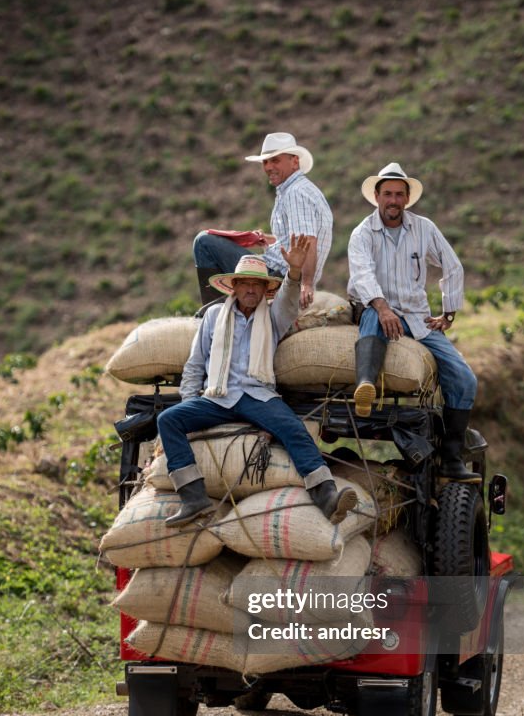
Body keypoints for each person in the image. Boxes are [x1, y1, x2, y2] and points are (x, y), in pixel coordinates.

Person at [158, 236, 357, 527]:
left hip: (258, 396)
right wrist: (191, 405)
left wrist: (294, 273)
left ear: (266, 290)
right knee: (168, 420)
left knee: (294, 430)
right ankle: (193, 497)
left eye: (257, 284)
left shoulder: (274, 317)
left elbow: (289, 300)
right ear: (234, 286)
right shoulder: (214, 316)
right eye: (245, 283)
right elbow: (195, 364)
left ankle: (326, 496)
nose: (250, 289)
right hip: (217, 396)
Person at [347, 162, 479, 483]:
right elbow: (362, 275)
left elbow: (453, 266)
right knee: (370, 316)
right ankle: (365, 383)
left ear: (407, 199)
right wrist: (382, 307)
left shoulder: (424, 228)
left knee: (465, 380)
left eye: (399, 195)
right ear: (376, 197)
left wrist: (448, 312)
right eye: (387, 194)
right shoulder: (362, 233)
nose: (393, 200)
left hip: (418, 319)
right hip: (378, 312)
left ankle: (450, 458)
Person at [192, 132, 333, 309]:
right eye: (265, 162)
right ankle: (225, 308)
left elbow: (307, 241)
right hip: (283, 271)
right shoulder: (302, 190)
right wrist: (267, 240)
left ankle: (214, 312)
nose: (268, 167)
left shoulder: (295, 193)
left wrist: (306, 283)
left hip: (279, 276)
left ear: (294, 161)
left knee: (204, 242)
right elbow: (295, 240)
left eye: (275, 160)